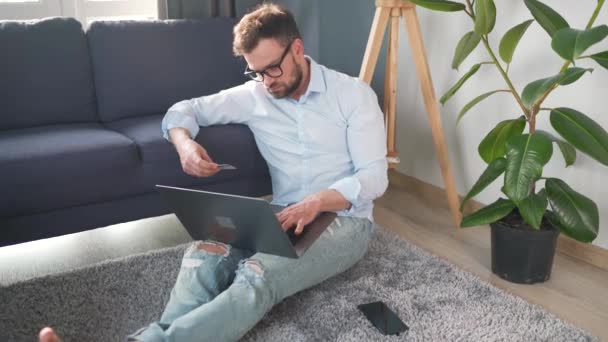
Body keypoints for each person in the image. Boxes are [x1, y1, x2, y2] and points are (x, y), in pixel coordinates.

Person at [38, 3, 387, 341]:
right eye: (256, 72)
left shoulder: (353, 95)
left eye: (272, 69)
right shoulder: (256, 96)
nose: (266, 82)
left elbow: (374, 177)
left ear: (297, 49)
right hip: (278, 215)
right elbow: (184, 110)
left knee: (257, 275)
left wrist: (317, 201)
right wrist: (184, 144)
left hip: (345, 219)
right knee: (205, 253)